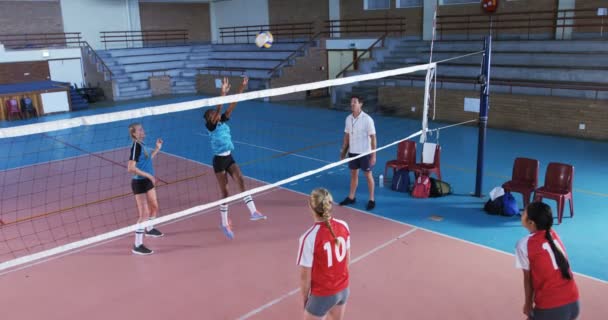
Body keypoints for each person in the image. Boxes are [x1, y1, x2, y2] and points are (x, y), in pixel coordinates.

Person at [204, 76, 266, 240]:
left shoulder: (222, 120)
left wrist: (241, 88)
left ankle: (253, 211)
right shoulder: (210, 126)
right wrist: (222, 94)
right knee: (225, 192)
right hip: (219, 162)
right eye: (211, 114)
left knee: (241, 180)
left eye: (214, 113)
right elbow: (218, 110)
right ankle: (224, 222)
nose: (214, 114)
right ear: (209, 119)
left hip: (229, 157)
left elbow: (233, 105)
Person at [515, 202, 580, 320]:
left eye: (524, 212)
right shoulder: (553, 234)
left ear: (531, 222)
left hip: (552, 308)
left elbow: (528, 279)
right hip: (573, 302)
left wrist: (528, 303)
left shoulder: (524, 244)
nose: (521, 213)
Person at [297, 188, 350, 320]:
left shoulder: (308, 238)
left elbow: (305, 277)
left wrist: (305, 299)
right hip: (343, 290)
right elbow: (346, 261)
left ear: (310, 206)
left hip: (322, 294)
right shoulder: (344, 226)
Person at [127, 123, 164, 255]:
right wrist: (149, 175)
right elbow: (131, 168)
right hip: (139, 183)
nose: (143, 131)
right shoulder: (136, 146)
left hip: (148, 181)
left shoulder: (142, 145)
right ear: (134, 134)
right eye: (140, 130)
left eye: (142, 128)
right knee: (144, 214)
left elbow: (147, 160)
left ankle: (150, 229)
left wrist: (157, 149)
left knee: (154, 207)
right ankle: (137, 245)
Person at [339, 95, 377, 210]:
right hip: (352, 152)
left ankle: (371, 199)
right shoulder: (348, 119)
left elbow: (373, 138)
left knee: (368, 175)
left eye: (355, 102)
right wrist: (343, 152)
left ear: (361, 104)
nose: (352, 104)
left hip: (365, 153)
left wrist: (373, 155)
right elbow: (346, 136)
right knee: (353, 175)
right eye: (351, 102)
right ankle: (351, 197)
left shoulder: (367, 119)